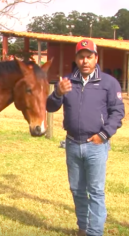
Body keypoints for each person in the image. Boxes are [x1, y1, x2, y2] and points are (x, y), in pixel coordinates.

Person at [46, 39, 125, 236]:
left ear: (96, 58)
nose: (85, 61)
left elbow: (117, 113)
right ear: (76, 59)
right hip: (72, 144)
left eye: (89, 57)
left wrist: (103, 135)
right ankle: (83, 228)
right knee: (77, 190)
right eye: (81, 57)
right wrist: (56, 93)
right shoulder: (66, 81)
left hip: (96, 146)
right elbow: (50, 107)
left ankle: (95, 232)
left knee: (96, 191)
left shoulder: (108, 83)